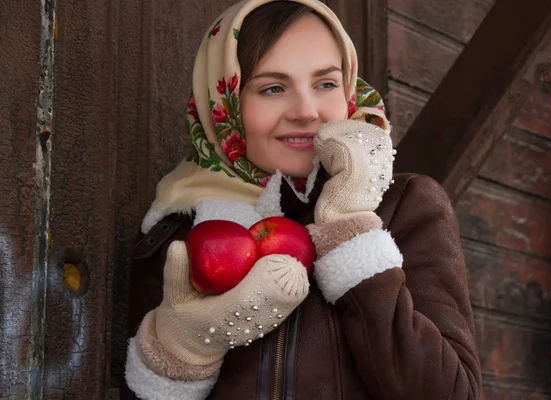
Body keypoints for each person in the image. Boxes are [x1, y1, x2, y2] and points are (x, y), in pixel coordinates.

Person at [121, 0, 483, 399]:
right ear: (225, 104)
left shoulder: (404, 206)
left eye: (326, 84)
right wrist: (179, 353)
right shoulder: (181, 227)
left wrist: (351, 237)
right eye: (272, 88)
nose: (306, 111)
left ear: (349, 90)